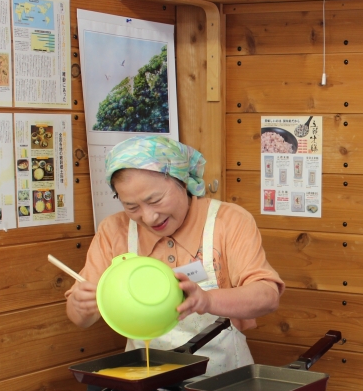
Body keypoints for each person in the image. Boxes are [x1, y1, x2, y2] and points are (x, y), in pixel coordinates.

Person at [66, 136, 284, 374]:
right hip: (145, 383)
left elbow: (267, 296)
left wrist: (208, 301)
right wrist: (82, 306)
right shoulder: (114, 231)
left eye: (155, 200)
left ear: (182, 181)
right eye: (132, 207)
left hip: (224, 382)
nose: (149, 217)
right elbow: (79, 318)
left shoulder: (227, 221)